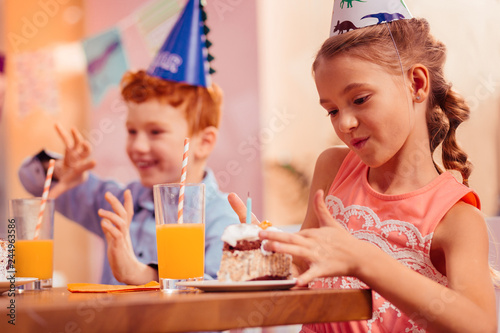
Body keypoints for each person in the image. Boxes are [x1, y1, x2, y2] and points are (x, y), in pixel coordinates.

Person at [230, 8, 498, 333]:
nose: (344, 123)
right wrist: (269, 249)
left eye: (359, 99)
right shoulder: (332, 168)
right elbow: (303, 267)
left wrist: (364, 260)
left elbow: (480, 325)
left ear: (416, 83)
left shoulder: (455, 218)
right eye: (331, 110)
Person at [18, 70, 238, 285]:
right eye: (132, 132)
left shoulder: (223, 219)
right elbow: (30, 178)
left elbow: (219, 293)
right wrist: (60, 171)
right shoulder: (118, 201)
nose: (138, 146)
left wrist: (144, 275)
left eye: (156, 132)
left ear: (205, 142)